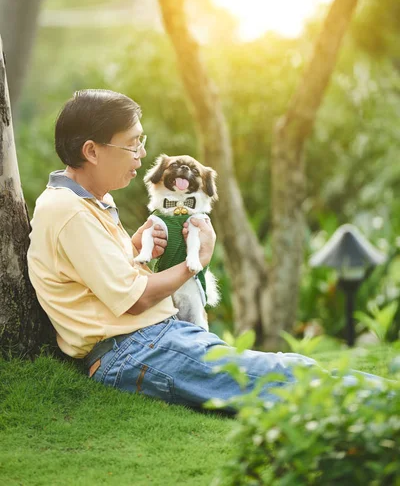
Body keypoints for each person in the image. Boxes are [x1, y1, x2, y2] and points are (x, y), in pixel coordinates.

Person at [27, 89, 388, 413]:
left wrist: (134, 247)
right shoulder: (69, 210)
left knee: (285, 369)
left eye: (142, 141)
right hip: (134, 350)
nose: (142, 155)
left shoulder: (89, 202)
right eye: (132, 144)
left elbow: (100, 284)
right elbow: (134, 300)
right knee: (283, 376)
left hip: (146, 341)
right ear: (91, 150)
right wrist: (194, 263)